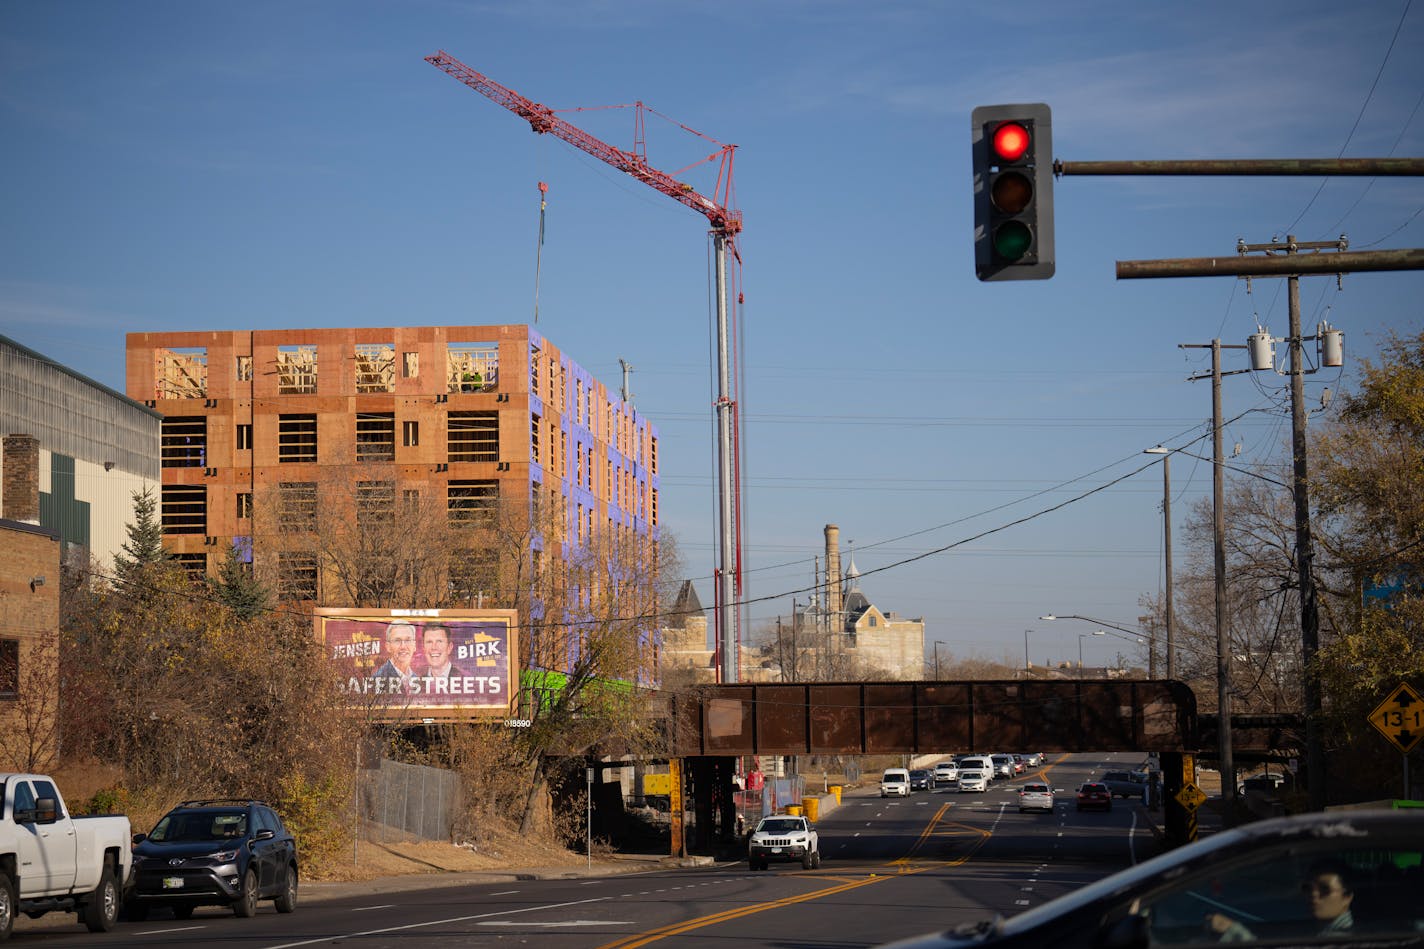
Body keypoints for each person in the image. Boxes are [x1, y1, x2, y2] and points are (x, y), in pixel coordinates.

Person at [1206, 859, 1355, 941]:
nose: (1314, 895)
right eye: (1308, 888)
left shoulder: (1340, 939)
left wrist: (1235, 932)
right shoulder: (1324, 932)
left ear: (1347, 897)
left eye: (1324, 889)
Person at [372, 621, 419, 691]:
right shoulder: (378, 679)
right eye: (397, 641)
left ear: (414, 645)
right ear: (388, 646)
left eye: (408, 640)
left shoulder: (418, 680)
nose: (403, 646)